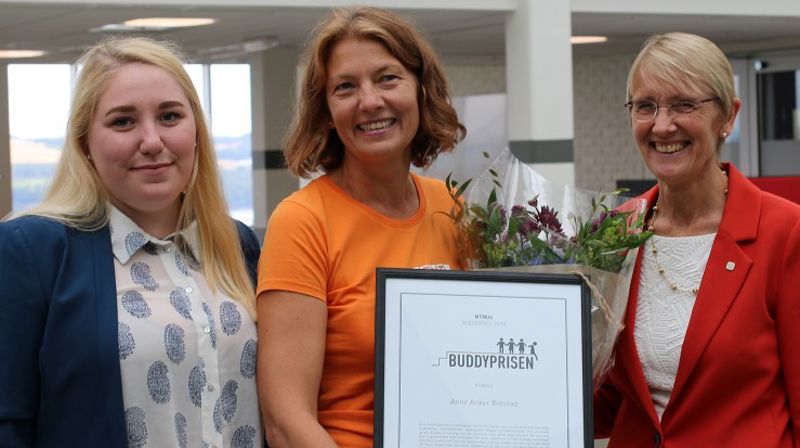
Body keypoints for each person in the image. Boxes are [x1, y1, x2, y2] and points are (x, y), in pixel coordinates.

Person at [0, 37, 263, 447]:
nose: (152, 141)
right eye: (123, 121)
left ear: (196, 132)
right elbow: (8, 420)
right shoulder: (32, 251)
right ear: (86, 143)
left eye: (170, 116)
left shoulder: (237, 244)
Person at [256, 7, 465, 447]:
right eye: (345, 87)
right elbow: (285, 421)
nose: (369, 102)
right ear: (328, 112)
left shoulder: (454, 208)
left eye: (387, 78)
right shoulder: (303, 221)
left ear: (421, 90)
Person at [594, 32, 800, 447]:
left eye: (684, 104)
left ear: (728, 116)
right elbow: (614, 397)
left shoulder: (786, 233)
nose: (662, 124)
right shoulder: (615, 233)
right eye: (645, 106)